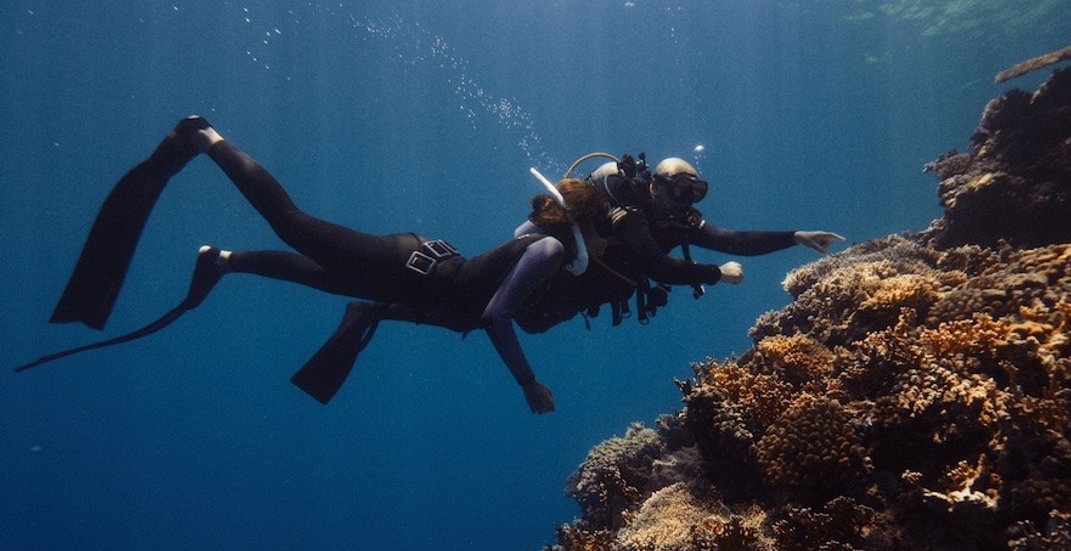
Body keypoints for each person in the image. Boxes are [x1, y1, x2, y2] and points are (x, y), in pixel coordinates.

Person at [16, 116, 580, 414]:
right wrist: (527, 383)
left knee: (315, 275)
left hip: (407, 277)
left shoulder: (552, 254)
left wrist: (376, 313)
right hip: (407, 263)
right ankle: (204, 136)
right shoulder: (552, 251)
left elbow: (471, 311)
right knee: (290, 223)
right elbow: (496, 317)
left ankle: (225, 262)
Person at [513, 154, 844, 332]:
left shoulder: (680, 221)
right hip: (556, 285)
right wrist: (716, 274)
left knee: (529, 322)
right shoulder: (629, 212)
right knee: (518, 313)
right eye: (680, 189)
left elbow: (732, 240)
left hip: (578, 296)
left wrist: (795, 237)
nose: (686, 200)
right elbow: (655, 265)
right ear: (655, 187)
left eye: (695, 191)